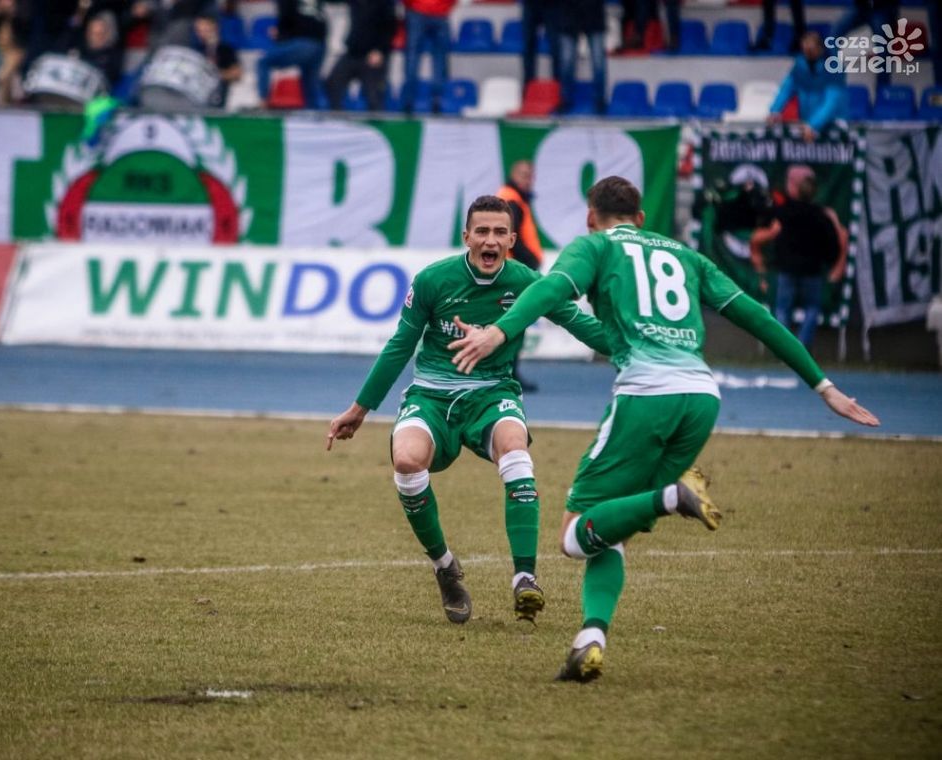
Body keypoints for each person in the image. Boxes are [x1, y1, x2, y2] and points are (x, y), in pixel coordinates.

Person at [449, 176, 879, 682]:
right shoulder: (684, 254)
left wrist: (498, 330)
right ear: (642, 218)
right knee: (610, 529)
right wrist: (822, 385)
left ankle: (673, 498)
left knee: (571, 535)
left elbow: (550, 290)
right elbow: (756, 317)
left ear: (592, 217)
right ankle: (591, 638)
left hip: (647, 395)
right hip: (701, 398)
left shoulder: (595, 245)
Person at [326, 195, 611, 625]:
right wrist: (360, 408)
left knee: (515, 449)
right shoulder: (433, 281)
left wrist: (633, 348)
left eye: (500, 232)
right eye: (482, 231)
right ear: (467, 237)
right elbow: (400, 345)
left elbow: (579, 323)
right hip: (431, 395)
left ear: (512, 239)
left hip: (492, 393)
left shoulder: (528, 283)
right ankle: (445, 567)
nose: (490, 240)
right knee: (406, 462)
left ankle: (525, 579)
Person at [750, 165, 847, 351]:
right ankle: (801, 346)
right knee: (812, 308)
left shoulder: (783, 213)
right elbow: (831, 245)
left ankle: (785, 348)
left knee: (782, 309)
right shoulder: (821, 215)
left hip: (787, 270)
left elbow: (770, 236)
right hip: (812, 271)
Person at [496, 160, 545, 392]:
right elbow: (512, 238)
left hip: (511, 270)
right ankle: (509, 372)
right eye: (524, 175)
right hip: (513, 272)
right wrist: (530, 265)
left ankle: (508, 371)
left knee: (511, 322)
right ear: (513, 175)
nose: (529, 180)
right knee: (515, 323)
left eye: (531, 175)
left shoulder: (514, 198)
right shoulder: (512, 200)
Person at [767, 31, 848, 142]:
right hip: (806, 124)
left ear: (821, 49)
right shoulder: (800, 66)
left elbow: (830, 103)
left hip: (833, 125)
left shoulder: (834, 68)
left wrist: (814, 125)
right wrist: (775, 111)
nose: (808, 54)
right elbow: (786, 89)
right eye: (805, 51)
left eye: (811, 50)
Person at [324, 0, 395, 111]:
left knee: (374, 96)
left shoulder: (384, 3)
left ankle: (377, 124)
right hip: (353, 52)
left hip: (373, 54)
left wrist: (380, 51)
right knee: (333, 81)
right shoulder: (355, 2)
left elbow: (390, 27)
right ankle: (336, 117)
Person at [257, 0, 328, 109]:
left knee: (263, 62)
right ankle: (316, 115)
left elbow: (285, 18)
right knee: (310, 84)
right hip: (320, 45)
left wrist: (279, 34)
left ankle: (263, 102)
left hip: (303, 42)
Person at [401, 0, 455, 114]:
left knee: (413, 57)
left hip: (419, 11)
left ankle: (408, 103)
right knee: (439, 60)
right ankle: (437, 101)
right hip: (437, 13)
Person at [559, 0, 607, 113]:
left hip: (594, 14)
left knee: (598, 62)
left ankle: (600, 101)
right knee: (566, 62)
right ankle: (566, 99)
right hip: (569, 14)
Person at [192, 14, 242, 108]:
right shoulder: (196, 51)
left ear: (214, 28)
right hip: (198, 94)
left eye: (205, 30)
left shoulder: (226, 49)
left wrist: (215, 75)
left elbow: (237, 74)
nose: (201, 33)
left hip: (220, 93)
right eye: (199, 31)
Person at [520, 0, 562, 92]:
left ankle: (558, 90)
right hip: (530, 4)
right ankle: (528, 89)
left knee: (556, 48)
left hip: (553, 5)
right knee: (528, 47)